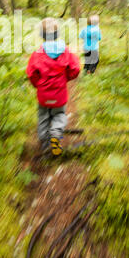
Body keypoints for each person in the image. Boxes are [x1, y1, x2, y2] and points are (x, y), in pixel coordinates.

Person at [26, 18, 80, 156]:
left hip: (43, 95)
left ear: (42, 36)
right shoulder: (66, 51)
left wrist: (38, 84)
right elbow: (75, 68)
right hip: (60, 94)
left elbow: (31, 73)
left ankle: (44, 143)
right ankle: (56, 135)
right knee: (60, 115)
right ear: (58, 34)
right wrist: (66, 77)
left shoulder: (37, 54)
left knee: (43, 117)